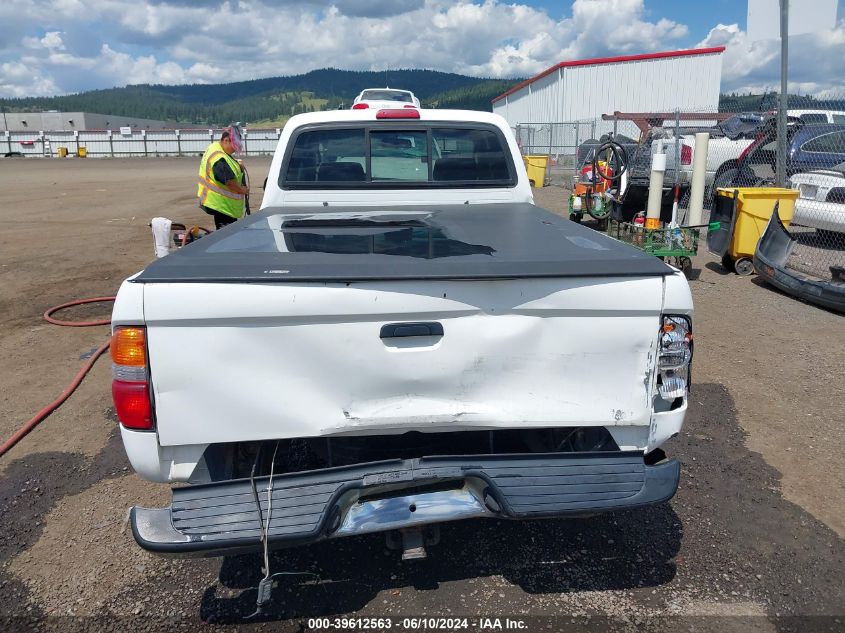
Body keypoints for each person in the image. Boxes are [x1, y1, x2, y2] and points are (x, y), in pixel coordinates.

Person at [197, 126, 250, 229]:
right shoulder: (219, 159)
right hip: (221, 204)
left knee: (224, 232)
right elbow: (229, 182)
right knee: (227, 234)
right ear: (226, 141)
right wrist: (242, 190)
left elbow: (226, 164)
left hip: (219, 203)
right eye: (234, 146)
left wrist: (236, 164)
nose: (235, 150)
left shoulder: (215, 147)